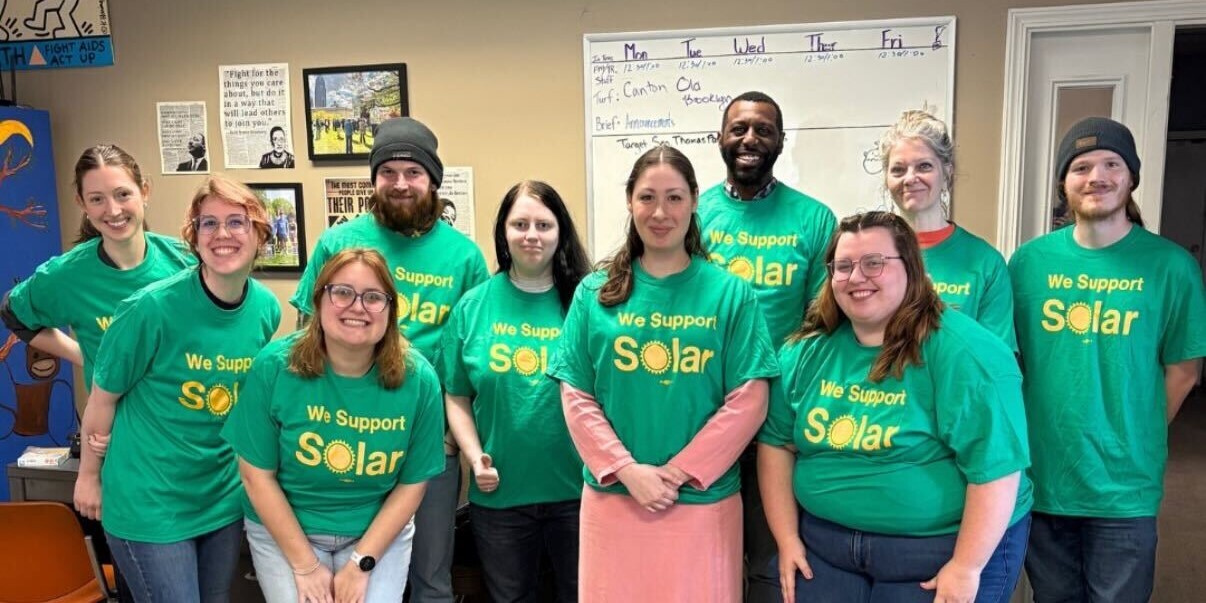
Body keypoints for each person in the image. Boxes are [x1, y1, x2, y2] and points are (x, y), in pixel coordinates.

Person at [758, 210, 1032, 603]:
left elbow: (997, 469)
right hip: (825, 548)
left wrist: (967, 566)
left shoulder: (967, 354)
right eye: (843, 266)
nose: (856, 277)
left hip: (940, 551)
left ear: (912, 269)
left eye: (874, 263)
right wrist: (786, 539)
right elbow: (776, 443)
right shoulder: (804, 351)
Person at [547, 145, 779, 602]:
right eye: (647, 197)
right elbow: (576, 394)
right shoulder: (594, 293)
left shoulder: (731, 293)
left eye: (674, 198)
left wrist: (677, 473)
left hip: (701, 505)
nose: (660, 212)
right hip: (615, 500)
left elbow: (750, 398)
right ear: (630, 201)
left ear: (695, 201)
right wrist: (628, 470)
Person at [291, 116, 488, 602]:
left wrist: (457, 428)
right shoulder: (339, 244)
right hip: (348, 435)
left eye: (413, 173)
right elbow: (305, 338)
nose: (401, 183)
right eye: (389, 172)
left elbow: (474, 357)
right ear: (374, 179)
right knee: (360, 577)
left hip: (429, 440)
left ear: (433, 181)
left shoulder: (464, 257)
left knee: (430, 577)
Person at [1009, 117, 1206, 603]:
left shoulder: (1171, 266)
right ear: (1064, 183)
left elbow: (1184, 371)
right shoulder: (1028, 263)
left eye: (1111, 163)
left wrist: (1137, 428)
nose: (1096, 176)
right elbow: (1013, 363)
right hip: (1044, 474)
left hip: (1125, 485)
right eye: (1081, 167)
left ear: (1131, 177)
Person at [72, 174, 281, 602]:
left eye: (237, 222)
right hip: (150, 502)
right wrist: (89, 477)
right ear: (194, 236)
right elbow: (102, 399)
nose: (223, 234)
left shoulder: (266, 309)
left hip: (220, 497)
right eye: (209, 223)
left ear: (259, 234)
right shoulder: (150, 309)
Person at [223, 248, 445, 603]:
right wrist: (306, 567)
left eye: (373, 297)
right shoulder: (275, 367)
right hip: (288, 528)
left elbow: (412, 484)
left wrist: (361, 564)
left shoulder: (419, 379)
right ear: (318, 300)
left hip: (374, 531)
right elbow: (255, 476)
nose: (357, 307)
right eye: (342, 292)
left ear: (390, 310)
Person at [696, 90, 836, 601]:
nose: (750, 139)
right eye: (739, 128)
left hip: (776, 420)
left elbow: (824, 325)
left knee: (769, 559)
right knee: (701, 550)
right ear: (721, 138)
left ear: (780, 141)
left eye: (763, 129)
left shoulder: (815, 219)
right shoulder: (694, 214)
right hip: (700, 412)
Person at [441, 181, 591, 602]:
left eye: (544, 224)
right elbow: (455, 394)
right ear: (503, 232)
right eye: (520, 223)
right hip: (500, 495)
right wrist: (474, 457)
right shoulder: (472, 306)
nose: (531, 234)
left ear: (560, 232)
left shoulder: (588, 302)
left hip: (580, 494)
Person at [1, 144, 194, 390]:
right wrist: (84, 356)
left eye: (123, 194)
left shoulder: (187, 261)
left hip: (187, 418)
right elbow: (13, 313)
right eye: (97, 199)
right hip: (113, 424)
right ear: (82, 203)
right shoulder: (67, 275)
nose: (113, 210)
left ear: (144, 191)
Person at [880, 110, 1016, 348]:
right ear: (887, 179)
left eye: (923, 166)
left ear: (947, 173)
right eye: (898, 170)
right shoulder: (867, 254)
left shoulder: (985, 262)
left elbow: (995, 357)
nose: (910, 178)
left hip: (955, 384)